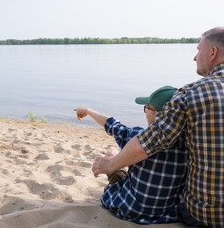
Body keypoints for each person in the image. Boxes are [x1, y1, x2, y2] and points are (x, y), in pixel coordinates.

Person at [92, 27, 224, 227]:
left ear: (212, 53)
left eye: (198, 50)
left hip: (204, 217)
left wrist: (111, 165)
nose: (194, 57)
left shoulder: (189, 94)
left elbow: (146, 144)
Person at [74, 86, 188, 224]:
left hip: (129, 208)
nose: (145, 112)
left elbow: (114, 127)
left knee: (112, 154)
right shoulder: (189, 145)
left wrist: (88, 111)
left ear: (158, 114)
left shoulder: (139, 137)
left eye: (147, 108)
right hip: (165, 213)